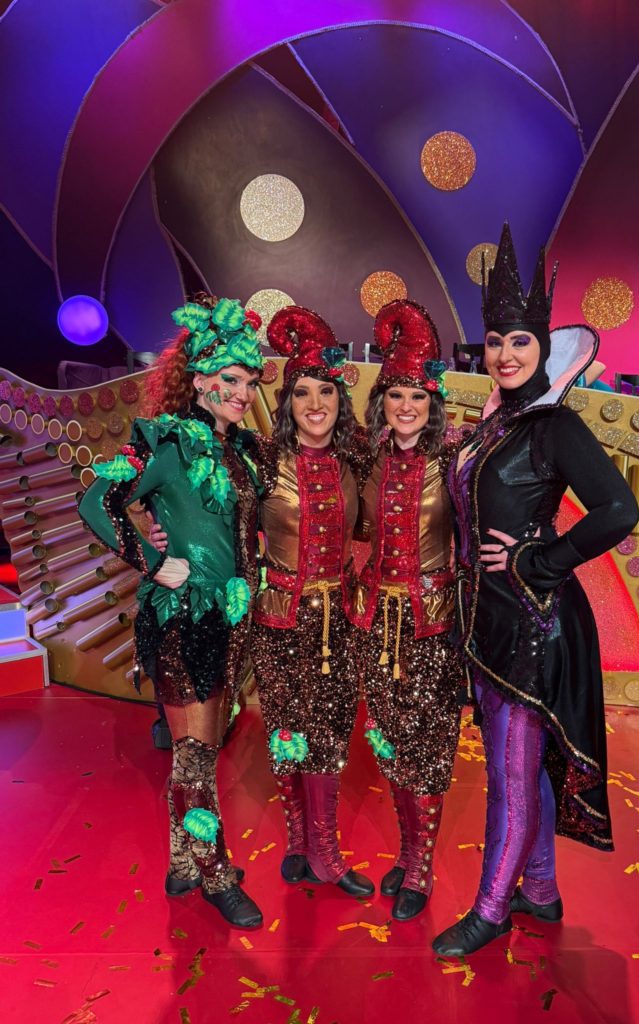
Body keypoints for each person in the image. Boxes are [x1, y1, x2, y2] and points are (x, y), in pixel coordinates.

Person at [432, 224, 639, 956]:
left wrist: (539, 559)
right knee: (520, 764)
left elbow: (618, 510)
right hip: (490, 619)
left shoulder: (554, 424)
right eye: (495, 341)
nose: (506, 354)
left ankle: (492, 908)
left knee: (511, 774)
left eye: (520, 341)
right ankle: (540, 889)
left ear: (543, 347)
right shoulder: (498, 422)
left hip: (533, 621)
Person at [78, 295, 265, 929]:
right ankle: (214, 874)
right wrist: (152, 561)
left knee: (199, 748)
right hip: (185, 618)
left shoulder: (239, 449)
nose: (242, 393)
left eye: (250, 382)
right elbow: (96, 502)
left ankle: (183, 863)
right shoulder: (168, 442)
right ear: (201, 378)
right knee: (196, 754)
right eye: (231, 380)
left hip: (230, 617)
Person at [244, 306, 374, 898]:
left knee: (328, 731)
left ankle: (324, 849)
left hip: (337, 621)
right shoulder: (261, 462)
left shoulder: (356, 459)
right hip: (277, 620)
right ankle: (298, 841)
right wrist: (166, 538)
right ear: (287, 401)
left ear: (340, 400)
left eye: (326, 391)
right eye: (302, 392)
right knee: (285, 730)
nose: (315, 403)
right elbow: (229, 524)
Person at [352, 300, 463, 921]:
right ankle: (407, 849)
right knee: (390, 738)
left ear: (432, 402)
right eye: (395, 396)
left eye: (417, 397)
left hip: (433, 624)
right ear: (382, 402)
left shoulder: (455, 460)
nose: (406, 406)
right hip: (377, 622)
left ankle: (421, 864)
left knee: (429, 742)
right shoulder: (367, 459)